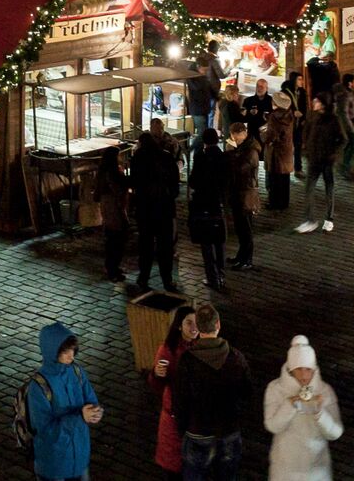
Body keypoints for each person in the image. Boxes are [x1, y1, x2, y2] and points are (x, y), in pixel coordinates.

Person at [174, 302, 249, 481]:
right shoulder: (236, 358)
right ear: (218, 325)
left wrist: (183, 428)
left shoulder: (187, 360)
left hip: (197, 432)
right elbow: (246, 395)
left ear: (199, 327)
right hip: (229, 431)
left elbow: (180, 401)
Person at [26, 323, 101, 481]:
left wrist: (95, 411)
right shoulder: (38, 387)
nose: (71, 356)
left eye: (73, 350)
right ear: (52, 351)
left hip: (79, 460)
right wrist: (80, 417)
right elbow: (45, 430)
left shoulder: (77, 372)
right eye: (65, 351)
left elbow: (90, 398)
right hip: (54, 466)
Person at [264, 333, 344, 481]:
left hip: (316, 471)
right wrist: (290, 404)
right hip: (285, 470)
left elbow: (335, 432)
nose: (303, 374)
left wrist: (320, 413)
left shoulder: (325, 391)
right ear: (290, 369)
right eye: (298, 369)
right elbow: (272, 425)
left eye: (308, 369)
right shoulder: (275, 389)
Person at [130, 118, 181, 293]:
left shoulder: (138, 158)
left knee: (145, 245)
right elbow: (175, 185)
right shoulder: (166, 157)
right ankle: (167, 280)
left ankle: (143, 277)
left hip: (145, 209)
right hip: (164, 209)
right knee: (165, 246)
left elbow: (134, 182)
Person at [152, 304, 198, 479]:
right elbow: (157, 386)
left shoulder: (201, 347)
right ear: (179, 325)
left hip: (193, 418)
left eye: (196, 323)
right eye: (189, 323)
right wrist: (157, 374)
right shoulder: (168, 350)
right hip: (174, 418)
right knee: (175, 469)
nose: (194, 328)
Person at [187, 127, 230, 290]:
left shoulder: (200, 157)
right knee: (219, 241)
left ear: (204, 141)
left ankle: (212, 277)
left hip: (203, 203)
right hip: (218, 203)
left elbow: (193, 181)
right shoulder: (224, 157)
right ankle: (221, 275)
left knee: (206, 243)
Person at [298, 91, 347, 233]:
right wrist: (306, 148)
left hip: (327, 160)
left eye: (317, 101)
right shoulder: (313, 116)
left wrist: (333, 154)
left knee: (329, 189)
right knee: (309, 189)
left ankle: (329, 219)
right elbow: (306, 131)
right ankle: (310, 220)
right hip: (314, 159)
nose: (314, 103)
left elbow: (343, 139)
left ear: (324, 104)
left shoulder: (334, 120)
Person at [222, 122, 259, 273]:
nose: (233, 139)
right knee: (240, 227)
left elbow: (240, 168)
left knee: (246, 228)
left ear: (242, 133)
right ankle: (241, 256)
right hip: (239, 192)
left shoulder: (251, 151)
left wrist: (230, 152)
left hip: (246, 193)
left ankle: (247, 260)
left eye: (234, 136)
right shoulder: (243, 148)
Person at [96, 144, 130, 282]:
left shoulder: (105, 171)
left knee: (114, 237)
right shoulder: (111, 173)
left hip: (110, 206)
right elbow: (118, 189)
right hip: (113, 207)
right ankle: (112, 269)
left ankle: (113, 267)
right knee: (116, 238)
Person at [264, 93, 297, 211]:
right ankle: (284, 202)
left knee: (274, 178)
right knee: (284, 178)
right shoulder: (289, 115)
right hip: (286, 150)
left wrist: (265, 139)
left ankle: (274, 203)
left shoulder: (274, 117)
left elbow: (271, 135)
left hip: (276, 151)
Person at [186, 50, 219, 163]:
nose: (205, 72)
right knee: (202, 133)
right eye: (204, 70)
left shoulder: (202, 76)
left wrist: (216, 97)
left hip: (204, 107)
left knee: (203, 133)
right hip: (197, 108)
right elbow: (197, 88)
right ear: (198, 67)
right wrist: (204, 81)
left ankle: (197, 156)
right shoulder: (192, 76)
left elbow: (209, 89)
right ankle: (189, 150)